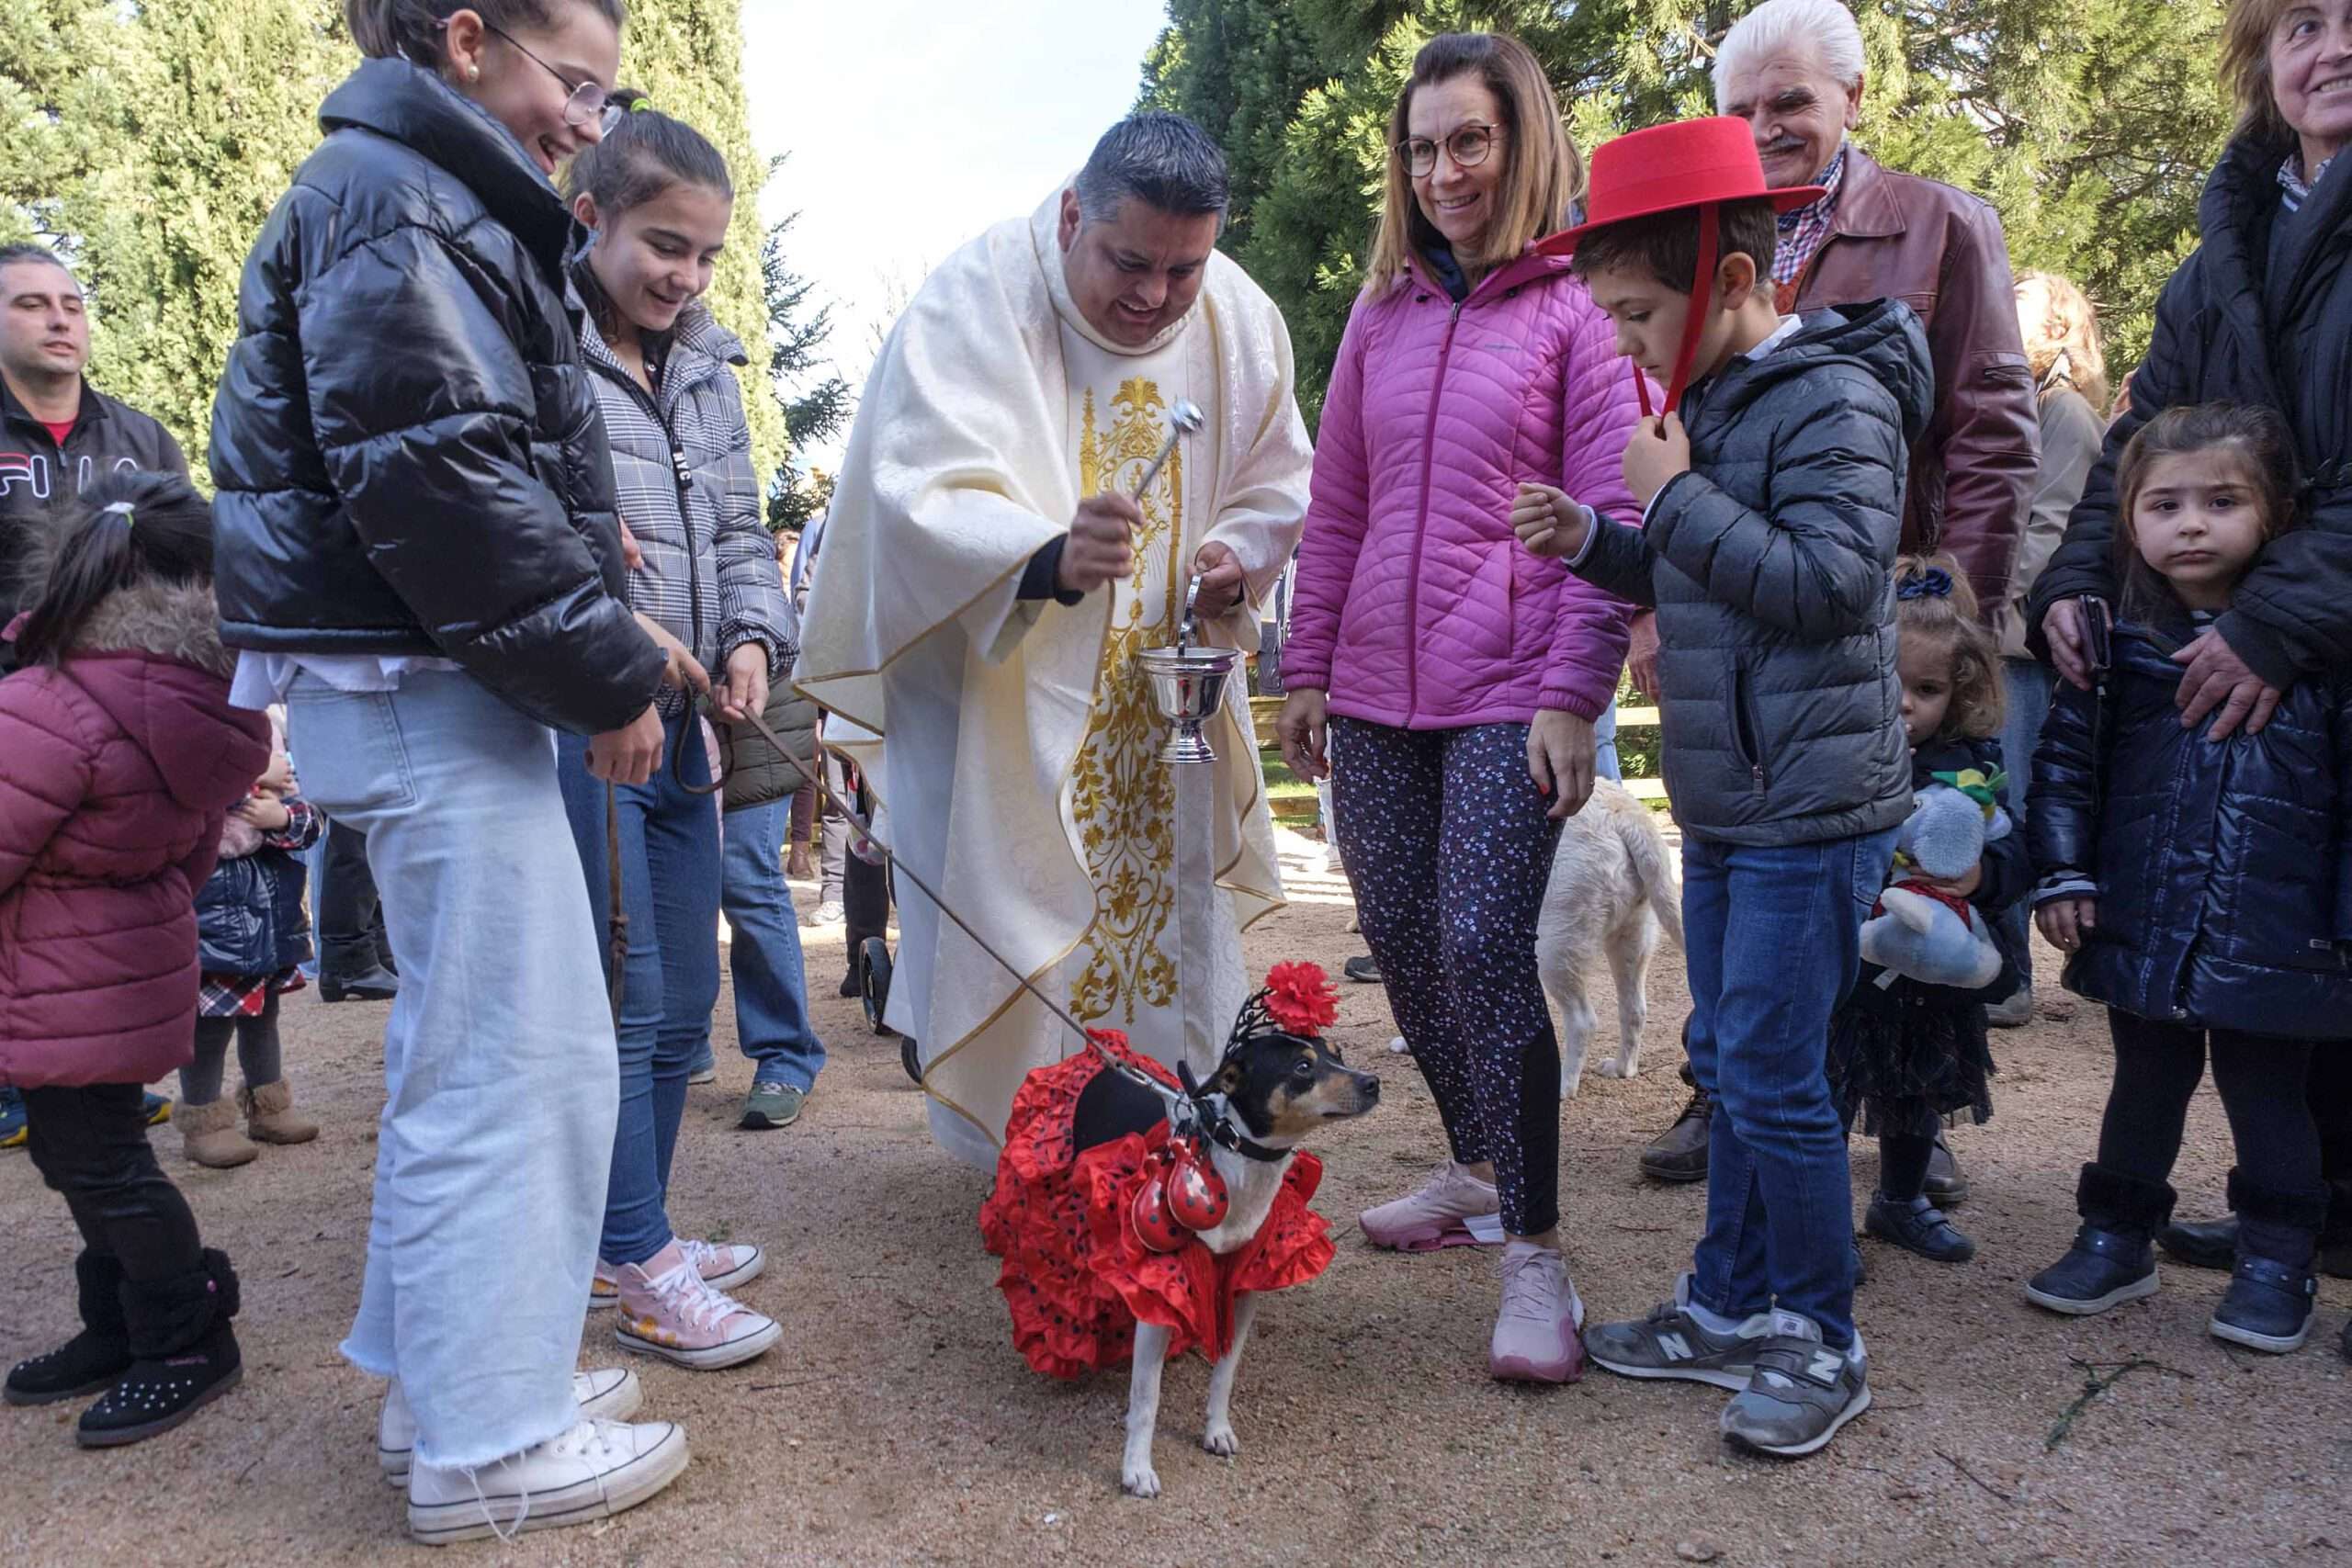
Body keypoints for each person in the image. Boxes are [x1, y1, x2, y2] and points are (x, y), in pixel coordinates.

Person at [209, 0, 694, 1539]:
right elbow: (438, 478)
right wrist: (608, 665)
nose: (587, 124)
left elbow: (457, 446)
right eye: (574, 84)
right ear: (470, 38)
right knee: (514, 1065)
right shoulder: (400, 195)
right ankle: (487, 1440)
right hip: (424, 681)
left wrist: (576, 549)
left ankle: (452, 1379)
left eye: (608, 93)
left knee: (468, 1055)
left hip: (414, 672)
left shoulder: (408, 189)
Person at [1513, 115, 1930, 1454]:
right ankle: (1726, 1301)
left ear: (1736, 283)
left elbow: (1830, 588)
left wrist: (1672, 501)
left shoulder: (1837, 399)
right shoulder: (1709, 409)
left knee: (1768, 1066)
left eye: (1638, 312)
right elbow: (1707, 572)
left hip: (1814, 805)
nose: (1625, 343)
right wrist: (1601, 537)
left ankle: (1820, 1335)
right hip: (1736, 799)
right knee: (1745, 1065)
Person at [796, 113, 1313, 1169]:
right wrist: (1040, 554)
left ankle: (1170, 1145)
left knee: (1167, 926)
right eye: (1130, 261)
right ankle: (1024, 1158)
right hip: (1003, 705)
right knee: (1018, 920)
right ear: (1074, 212)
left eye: (1184, 268)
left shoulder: (1241, 318)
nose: (1156, 296)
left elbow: (1276, 473)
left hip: (1167, 709)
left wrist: (1231, 554)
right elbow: (912, 493)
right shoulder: (975, 298)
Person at [1273, 31, 1641, 1385]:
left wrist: (1572, 693)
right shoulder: (1380, 311)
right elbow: (1342, 505)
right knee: (1403, 939)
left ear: (1521, 141)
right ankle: (1478, 1166)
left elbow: (1611, 519)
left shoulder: (1581, 307)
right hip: (1374, 683)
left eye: (1469, 141)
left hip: (1511, 687)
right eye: (1423, 148)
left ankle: (1536, 1248)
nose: (1444, 172)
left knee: (1488, 940)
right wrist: (1307, 666)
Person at [1632, 0, 2039, 1195]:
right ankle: (1729, 1089)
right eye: (1744, 107)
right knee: (1739, 872)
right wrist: (1655, 606)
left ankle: (1912, 1121)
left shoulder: (1940, 224)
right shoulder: (1700, 238)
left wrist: (1954, 623)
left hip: (1889, 628)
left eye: (1792, 103)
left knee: (1910, 879)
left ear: (1853, 100)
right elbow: (1660, 433)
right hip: (1737, 619)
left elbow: (1993, 433)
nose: (1766, 127)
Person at [2029, 0, 2352, 1321]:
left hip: (2307, 642)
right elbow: (2140, 439)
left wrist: (2280, 616)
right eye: (2305, 24)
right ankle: (2291, 1221)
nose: (2332, 47)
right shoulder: (2227, 241)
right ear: (2264, 60)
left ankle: (2298, 1230)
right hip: (2233, 654)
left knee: (2300, 981)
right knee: (2185, 1021)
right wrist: (2071, 577)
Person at [2025, 403, 2348, 1358]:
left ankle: (2276, 1259)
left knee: (2265, 1093)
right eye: (2163, 504)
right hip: (2144, 910)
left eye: (2220, 501)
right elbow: (2063, 769)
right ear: (2128, 521)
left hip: (2280, 925)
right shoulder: (2112, 645)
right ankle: (2116, 1235)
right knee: (2145, 1079)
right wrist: (2063, 873)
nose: (2191, 524)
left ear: (2277, 516)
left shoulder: (2317, 659)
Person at [554, 107, 786, 1367]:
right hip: (595, 723)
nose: (684, 276)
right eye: (663, 245)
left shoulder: (707, 365)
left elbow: (745, 533)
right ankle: (636, 1255)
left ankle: (624, 1227)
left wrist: (751, 637)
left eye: (703, 253)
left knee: (688, 994)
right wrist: (624, 647)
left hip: (695, 725)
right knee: (628, 994)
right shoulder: (545, 348)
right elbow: (539, 536)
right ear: (592, 218)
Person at [0, 471, 268, 1444]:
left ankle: (185, 1332)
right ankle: (120, 1321)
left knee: (102, 1165)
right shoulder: (193, 702)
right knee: (93, 1156)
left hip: (53, 974)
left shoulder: (52, 701)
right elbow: (198, 845)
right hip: (123, 964)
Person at [1828, 558, 2027, 1268]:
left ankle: (1900, 1198)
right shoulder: (1839, 754)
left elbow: (2014, 853)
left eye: (1929, 688)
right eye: (1892, 683)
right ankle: (1822, 1222)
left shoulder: (1969, 766)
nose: (1907, 702)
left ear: (1961, 691)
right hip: (1852, 961)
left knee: (1917, 1092)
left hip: (1932, 976)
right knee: (1829, 1089)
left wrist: (1980, 876)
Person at [1985, 273, 2108, 1030]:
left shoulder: (2065, 414)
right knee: (1979, 794)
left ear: (2059, 329)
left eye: (2019, 304)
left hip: (2013, 643)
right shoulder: (2016, 408)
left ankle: (2010, 977)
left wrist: (1961, 596)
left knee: (2010, 796)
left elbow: (2051, 538)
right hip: (1983, 634)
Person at [0, 246, 189, 671]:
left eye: (72, 307)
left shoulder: (146, 439)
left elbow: (187, 572)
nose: (59, 320)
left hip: (126, 685)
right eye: (32, 305)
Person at [178, 713, 325, 1168]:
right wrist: (250, 780)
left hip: (268, 898)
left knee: (264, 1013)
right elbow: (188, 790)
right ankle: (205, 1121)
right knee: (211, 1020)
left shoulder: (269, 723)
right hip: (213, 897)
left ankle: (269, 1107)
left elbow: (310, 815)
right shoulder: (190, 727)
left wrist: (281, 816)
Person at [718, 530, 825, 1131]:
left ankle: (786, 1053)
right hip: (667, 702)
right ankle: (676, 1041)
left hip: (758, 704)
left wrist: (748, 646)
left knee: (744, 869)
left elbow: (749, 577)